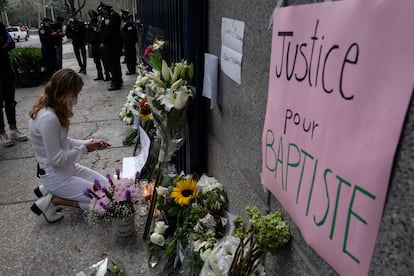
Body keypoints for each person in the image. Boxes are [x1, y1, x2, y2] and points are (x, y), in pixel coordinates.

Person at [29, 68, 111, 223]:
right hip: (57, 176)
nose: (76, 98)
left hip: (68, 169)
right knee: (107, 202)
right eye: (75, 94)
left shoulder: (53, 109)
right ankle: (54, 201)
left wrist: (90, 143)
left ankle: (49, 192)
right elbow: (57, 159)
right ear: (64, 92)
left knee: (110, 188)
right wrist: (84, 149)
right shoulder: (48, 118)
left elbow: (64, 142)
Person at [0, 22, 28, 147]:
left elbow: (10, 43)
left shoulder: (0, 26)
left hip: (6, 68)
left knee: (10, 101)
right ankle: (2, 133)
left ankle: (13, 129)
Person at [98, 2, 123, 90]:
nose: (102, 12)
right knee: (115, 64)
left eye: (103, 10)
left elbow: (109, 31)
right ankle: (117, 80)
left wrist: (104, 42)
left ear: (106, 9)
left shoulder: (112, 16)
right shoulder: (110, 16)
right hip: (113, 44)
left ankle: (116, 82)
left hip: (112, 45)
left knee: (113, 64)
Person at [86, 10, 110, 81]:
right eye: (91, 16)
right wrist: (88, 42)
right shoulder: (90, 24)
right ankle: (100, 75)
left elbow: (103, 33)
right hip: (94, 45)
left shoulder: (100, 23)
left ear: (96, 16)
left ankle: (107, 75)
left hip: (100, 44)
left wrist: (103, 42)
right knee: (96, 61)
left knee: (104, 61)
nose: (92, 17)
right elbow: (88, 34)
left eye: (93, 16)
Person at [120, 9, 138, 75]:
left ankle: (131, 70)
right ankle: (130, 70)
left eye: (123, 14)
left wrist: (127, 42)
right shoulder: (125, 23)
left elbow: (130, 34)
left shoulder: (128, 23)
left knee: (130, 57)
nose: (122, 16)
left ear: (125, 15)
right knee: (128, 56)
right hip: (127, 43)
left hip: (129, 43)